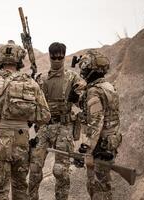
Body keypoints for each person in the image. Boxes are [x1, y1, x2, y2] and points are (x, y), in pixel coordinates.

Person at [0, 40, 51, 200]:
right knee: (20, 189)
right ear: (19, 60)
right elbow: (45, 116)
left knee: (0, 192)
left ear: (0, 60)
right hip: (21, 142)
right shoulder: (31, 83)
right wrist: (24, 117)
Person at [28, 42, 86, 200]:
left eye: (60, 57)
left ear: (64, 56)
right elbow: (32, 102)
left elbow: (84, 101)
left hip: (64, 127)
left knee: (61, 171)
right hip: (45, 127)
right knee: (34, 168)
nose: (57, 60)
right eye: (54, 57)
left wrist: (77, 97)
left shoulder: (72, 78)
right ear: (50, 56)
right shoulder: (42, 78)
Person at [77, 49, 122, 200]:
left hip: (99, 146)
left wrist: (87, 148)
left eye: (84, 66)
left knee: (97, 189)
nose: (82, 70)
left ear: (90, 69)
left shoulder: (94, 91)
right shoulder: (109, 87)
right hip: (110, 142)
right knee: (104, 186)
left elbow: (96, 122)